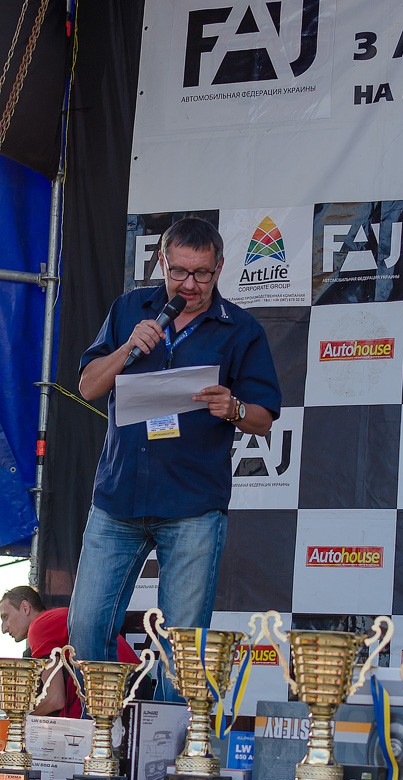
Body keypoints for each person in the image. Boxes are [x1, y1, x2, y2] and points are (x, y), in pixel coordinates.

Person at [67, 216, 281, 701]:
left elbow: (263, 417)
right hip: (118, 498)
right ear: (161, 262)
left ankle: (169, 742)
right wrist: (128, 347)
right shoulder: (129, 308)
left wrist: (234, 408)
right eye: (179, 271)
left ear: (219, 268)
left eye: (201, 273)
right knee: (86, 627)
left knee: (181, 647)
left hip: (192, 506)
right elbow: (88, 387)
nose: (189, 284)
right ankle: (106, 728)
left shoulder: (240, 329)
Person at [0, 586, 146, 717]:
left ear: (25, 608)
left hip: (118, 686)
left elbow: (55, 699)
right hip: (133, 684)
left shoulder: (39, 626)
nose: (4, 628)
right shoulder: (56, 618)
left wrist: (17, 719)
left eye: (5, 617)